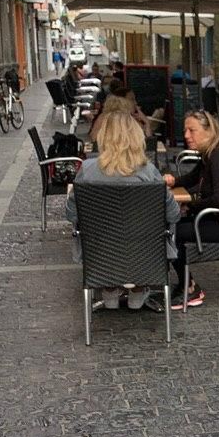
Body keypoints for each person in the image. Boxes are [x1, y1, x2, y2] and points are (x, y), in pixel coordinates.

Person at [65, 114, 179, 311]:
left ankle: (109, 289)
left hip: (100, 252)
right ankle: (139, 289)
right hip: (144, 252)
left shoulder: (87, 170)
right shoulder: (148, 172)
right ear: (136, 138)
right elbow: (173, 215)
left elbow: (71, 215)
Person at [162, 110, 219, 310]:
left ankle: (189, 287)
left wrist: (190, 203)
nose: (186, 135)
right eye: (185, 130)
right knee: (170, 226)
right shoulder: (208, 155)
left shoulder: (217, 157)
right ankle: (186, 283)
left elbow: (218, 200)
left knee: (174, 233)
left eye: (192, 130)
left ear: (209, 132)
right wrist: (173, 180)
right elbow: (192, 179)